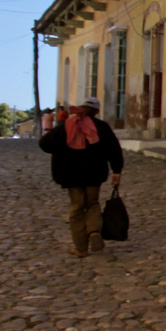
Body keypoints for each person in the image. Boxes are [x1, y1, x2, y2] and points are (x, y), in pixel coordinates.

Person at [39, 96, 123, 258]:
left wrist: (61, 151)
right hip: (94, 174)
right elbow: (114, 150)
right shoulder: (102, 127)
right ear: (97, 111)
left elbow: (44, 143)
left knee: (77, 208)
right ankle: (93, 231)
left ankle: (81, 248)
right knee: (92, 204)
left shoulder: (65, 126)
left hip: (70, 175)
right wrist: (117, 171)